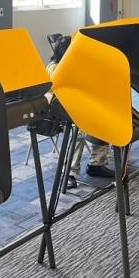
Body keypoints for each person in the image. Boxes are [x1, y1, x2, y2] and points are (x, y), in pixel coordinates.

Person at [45, 34, 114, 190]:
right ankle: (69, 173)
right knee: (78, 131)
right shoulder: (55, 67)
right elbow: (65, 90)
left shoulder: (73, 65)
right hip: (57, 112)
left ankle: (96, 164)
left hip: (75, 107)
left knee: (102, 120)